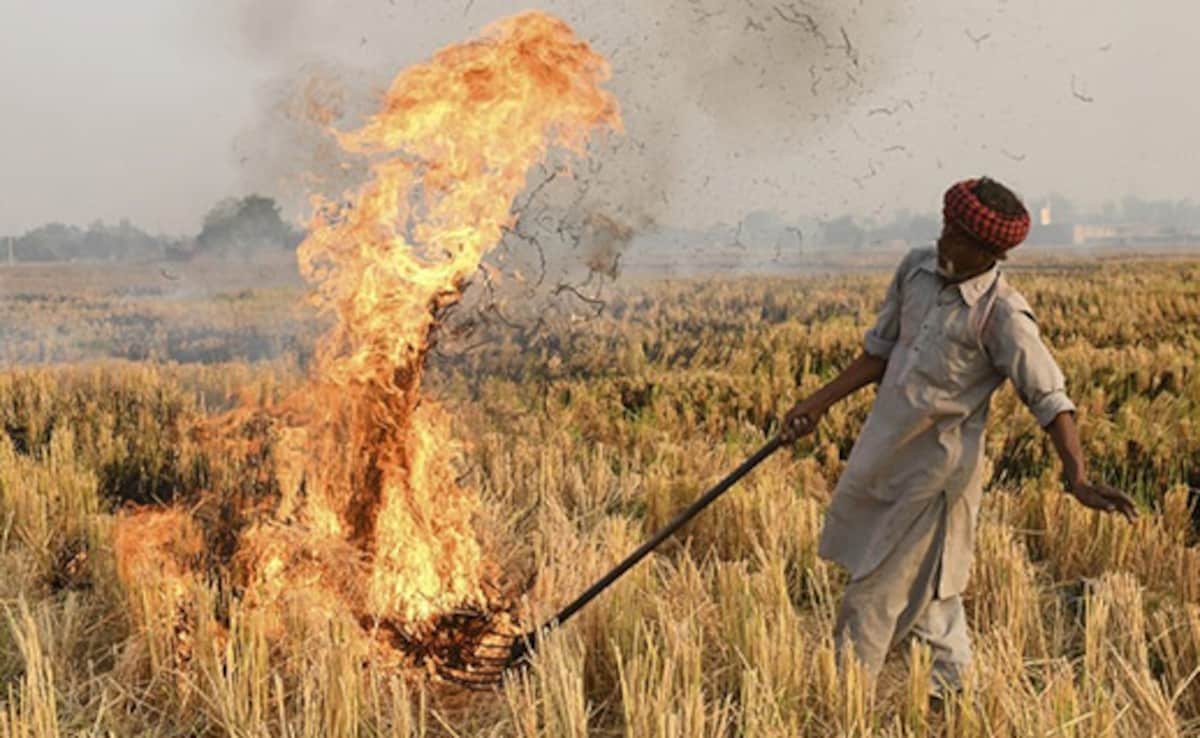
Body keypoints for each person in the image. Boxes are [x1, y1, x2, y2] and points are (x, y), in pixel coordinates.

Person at [780, 176, 1137, 696]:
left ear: (990, 252)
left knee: (870, 599)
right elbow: (879, 352)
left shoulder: (1002, 315)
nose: (945, 242)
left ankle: (843, 705)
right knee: (933, 601)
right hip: (884, 455)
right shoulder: (916, 270)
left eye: (960, 239)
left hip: (935, 479)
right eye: (946, 228)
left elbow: (1049, 397)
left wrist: (1076, 474)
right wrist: (816, 404)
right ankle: (957, 700)